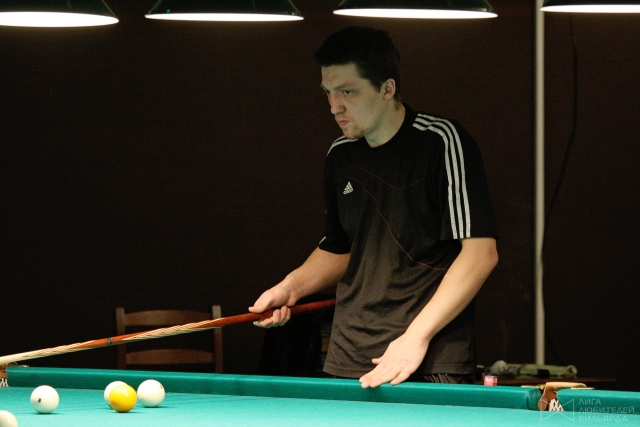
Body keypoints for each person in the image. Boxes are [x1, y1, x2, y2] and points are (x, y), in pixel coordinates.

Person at [249, 26, 498, 388]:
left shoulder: (441, 142)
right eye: (328, 92)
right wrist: (291, 288)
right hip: (349, 353)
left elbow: (480, 254)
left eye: (347, 91)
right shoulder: (340, 155)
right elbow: (340, 248)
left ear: (387, 88)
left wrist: (415, 337)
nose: (334, 106)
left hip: (429, 356)